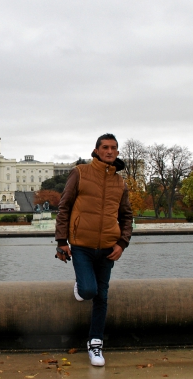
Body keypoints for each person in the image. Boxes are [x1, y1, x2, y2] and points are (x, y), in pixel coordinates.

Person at [54, 133, 133, 366]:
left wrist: (122, 243)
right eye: (105, 147)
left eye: (114, 148)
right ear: (96, 150)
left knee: (102, 296)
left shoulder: (120, 183)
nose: (110, 151)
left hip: (108, 247)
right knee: (89, 290)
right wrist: (61, 242)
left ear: (117, 153)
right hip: (81, 245)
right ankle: (81, 284)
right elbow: (64, 207)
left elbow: (127, 216)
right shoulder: (80, 172)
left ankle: (95, 343)